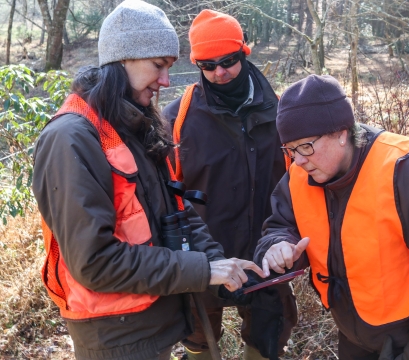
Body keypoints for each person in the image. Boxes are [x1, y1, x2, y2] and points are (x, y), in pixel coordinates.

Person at [32, 2, 265, 360]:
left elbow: (177, 208)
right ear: (122, 59)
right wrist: (202, 270)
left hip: (150, 324)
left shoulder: (129, 125)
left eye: (169, 68)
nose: (166, 81)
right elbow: (95, 262)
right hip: (114, 337)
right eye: (158, 66)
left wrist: (220, 266)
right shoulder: (72, 138)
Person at [254, 74, 409, 360]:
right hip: (353, 338)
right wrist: (277, 246)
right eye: (290, 149)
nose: (297, 160)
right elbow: (280, 225)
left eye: (305, 146)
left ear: (341, 133)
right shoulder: (302, 172)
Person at [162, 9, 297, 360]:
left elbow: (300, 187)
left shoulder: (283, 114)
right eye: (208, 65)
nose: (220, 72)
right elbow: (166, 196)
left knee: (269, 339)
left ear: (244, 52)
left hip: (267, 258)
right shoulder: (177, 120)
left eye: (229, 60)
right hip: (203, 262)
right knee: (198, 340)